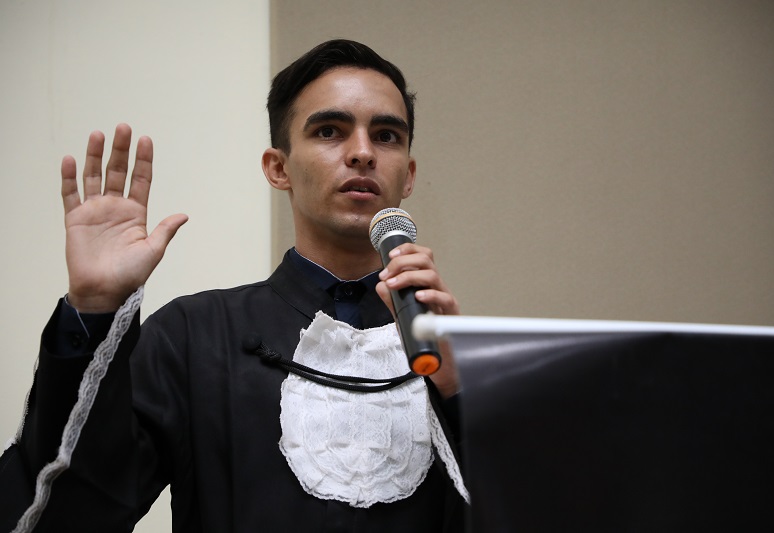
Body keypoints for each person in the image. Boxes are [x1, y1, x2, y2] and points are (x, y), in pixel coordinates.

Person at [0, 40, 468, 532]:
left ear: (408, 176)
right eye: (329, 131)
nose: (362, 153)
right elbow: (73, 511)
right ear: (278, 168)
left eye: (386, 136)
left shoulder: (451, 353)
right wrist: (94, 308)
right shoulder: (193, 335)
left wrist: (459, 393)